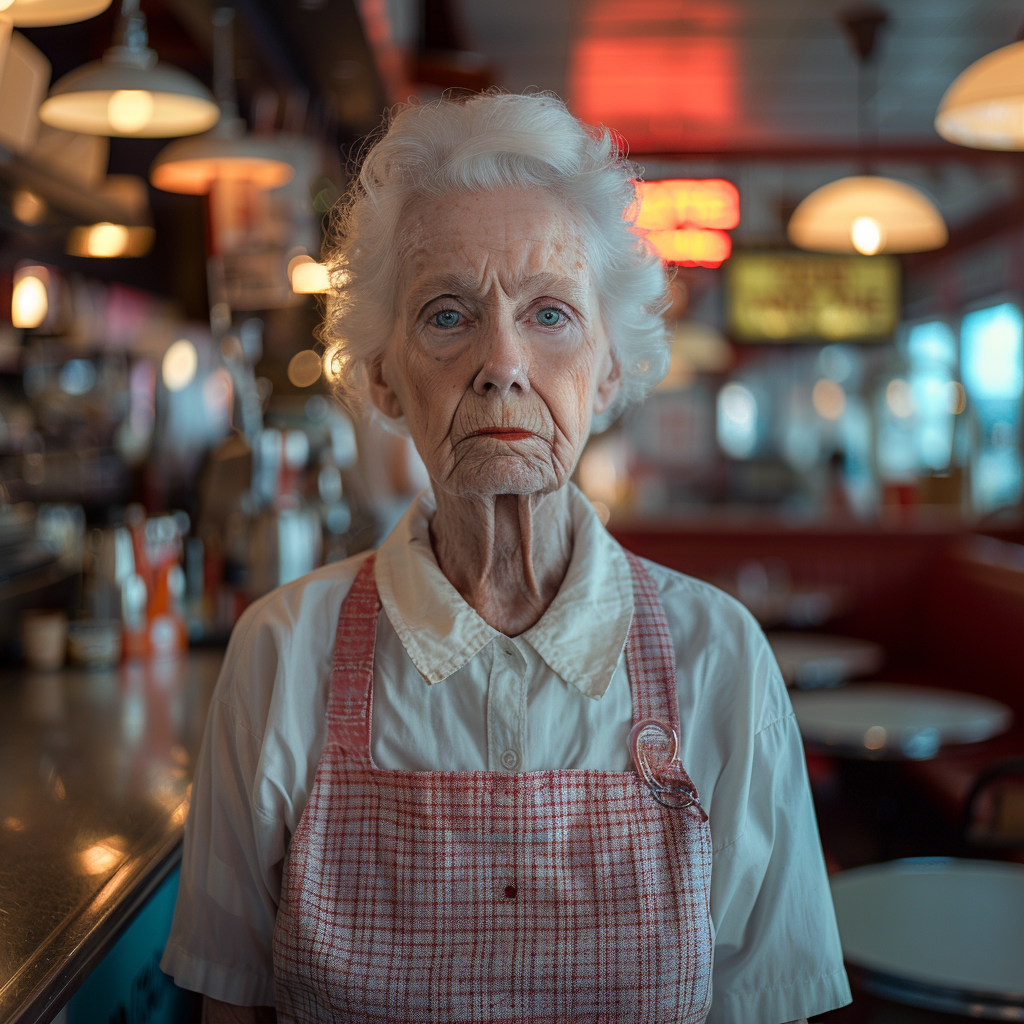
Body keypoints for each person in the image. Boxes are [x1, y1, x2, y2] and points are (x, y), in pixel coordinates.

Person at [161, 92, 851, 1024]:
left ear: (609, 370)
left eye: (551, 314)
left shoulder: (720, 659)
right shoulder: (282, 654)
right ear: (381, 375)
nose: (502, 362)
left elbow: (768, 1005)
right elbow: (229, 1007)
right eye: (446, 315)